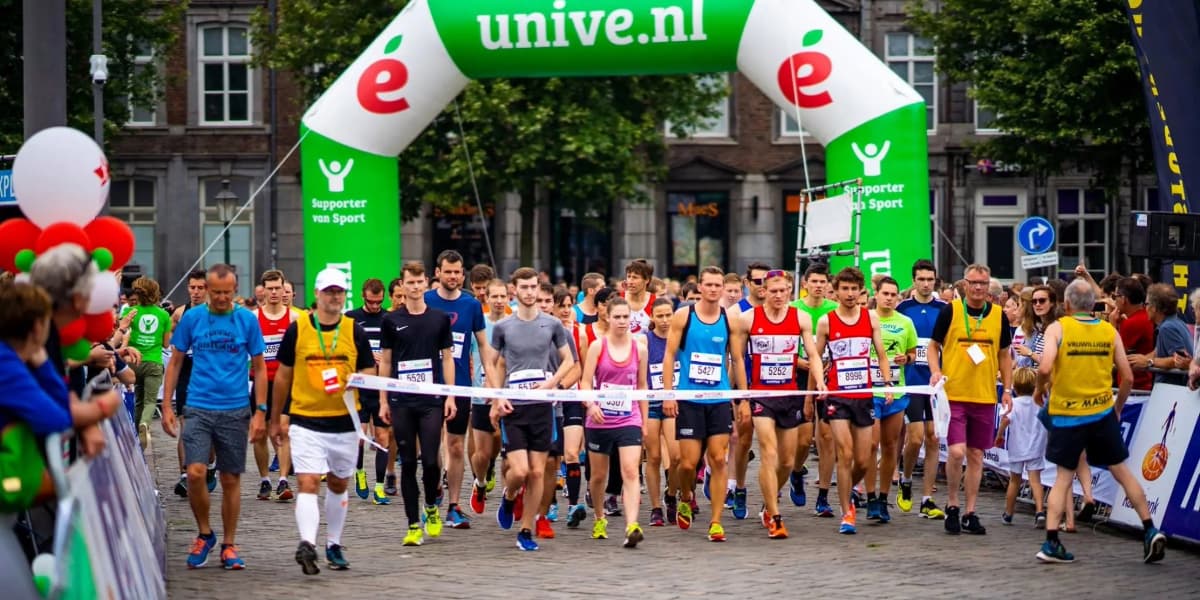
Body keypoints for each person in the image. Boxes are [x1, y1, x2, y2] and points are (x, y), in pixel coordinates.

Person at [0, 282, 120, 600]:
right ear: (37, 327)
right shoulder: (6, 364)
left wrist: (41, 362)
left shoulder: (13, 359)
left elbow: (56, 403)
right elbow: (54, 417)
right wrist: (100, 409)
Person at [1034, 279, 1166, 564]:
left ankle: (1052, 541)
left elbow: (1044, 367)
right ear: (1092, 304)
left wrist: (1038, 390)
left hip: (1068, 414)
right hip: (1101, 412)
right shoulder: (1108, 331)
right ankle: (1149, 528)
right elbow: (1127, 377)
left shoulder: (1058, 328)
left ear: (1066, 304)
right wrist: (1117, 409)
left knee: (1063, 477)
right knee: (1122, 471)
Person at [161, 264, 268, 570]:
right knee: (195, 472)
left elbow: (259, 367)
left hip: (235, 408)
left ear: (235, 290)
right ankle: (204, 533)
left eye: (227, 292)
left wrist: (260, 412)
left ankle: (229, 544)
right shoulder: (192, 318)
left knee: (230, 478)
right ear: (207, 290)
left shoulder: (247, 320)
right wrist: (167, 405)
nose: (222, 298)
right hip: (198, 405)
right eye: (216, 292)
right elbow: (175, 361)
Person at [269, 268, 374, 574]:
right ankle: (307, 543)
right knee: (308, 481)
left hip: (344, 421)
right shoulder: (298, 329)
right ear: (316, 294)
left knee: (339, 483)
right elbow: (283, 376)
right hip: (306, 419)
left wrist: (359, 384)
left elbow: (370, 370)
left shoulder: (354, 330)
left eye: (339, 292)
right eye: (329, 291)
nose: (334, 297)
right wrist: (276, 418)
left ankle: (334, 543)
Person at [489, 267, 575, 551]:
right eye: (523, 287)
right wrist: (497, 397)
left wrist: (551, 383)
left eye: (533, 287)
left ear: (539, 288)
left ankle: (526, 530)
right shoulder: (504, 327)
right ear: (514, 290)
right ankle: (509, 495)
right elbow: (491, 363)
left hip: (542, 408)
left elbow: (569, 361)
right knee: (520, 471)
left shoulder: (552, 325)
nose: (528, 292)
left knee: (538, 473)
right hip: (514, 408)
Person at [662, 266, 749, 542]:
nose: (713, 289)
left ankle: (715, 522)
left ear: (722, 288)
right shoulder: (683, 316)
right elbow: (669, 356)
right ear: (699, 287)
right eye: (708, 285)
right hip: (689, 399)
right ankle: (686, 496)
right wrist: (668, 394)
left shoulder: (729, 319)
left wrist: (743, 398)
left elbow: (737, 359)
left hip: (719, 399)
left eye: (717, 285)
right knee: (687, 464)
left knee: (719, 459)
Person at [928, 263, 1013, 536]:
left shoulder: (998, 315)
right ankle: (952, 503)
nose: (977, 287)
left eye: (982, 283)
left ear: (989, 287)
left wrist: (1008, 389)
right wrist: (935, 371)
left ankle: (970, 512)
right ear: (964, 284)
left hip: (984, 396)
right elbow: (933, 346)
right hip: (954, 395)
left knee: (977, 455)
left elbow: (1004, 355)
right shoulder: (951, 311)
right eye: (973, 282)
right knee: (956, 452)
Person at [740, 270, 824, 538]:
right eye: (773, 291)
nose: (778, 295)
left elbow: (813, 354)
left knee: (787, 461)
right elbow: (738, 359)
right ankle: (776, 517)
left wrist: (820, 382)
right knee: (769, 451)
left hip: (789, 395)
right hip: (761, 395)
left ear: (790, 290)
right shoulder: (748, 318)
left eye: (783, 290)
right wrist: (741, 397)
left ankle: (769, 502)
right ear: (763, 291)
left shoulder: (800, 318)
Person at [379, 262, 457, 547]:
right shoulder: (391, 320)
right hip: (401, 400)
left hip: (431, 401)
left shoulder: (439, 318)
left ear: (426, 282)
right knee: (408, 461)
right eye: (409, 283)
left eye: (419, 282)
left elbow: (447, 358)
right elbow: (386, 360)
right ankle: (413, 524)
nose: (414, 287)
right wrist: (383, 399)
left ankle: (432, 507)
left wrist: (450, 396)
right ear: (402, 285)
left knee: (431, 461)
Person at [813, 267, 894, 535]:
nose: (849, 294)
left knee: (863, 458)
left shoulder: (870, 318)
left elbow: (881, 354)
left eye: (854, 289)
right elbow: (816, 357)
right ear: (836, 292)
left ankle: (847, 487)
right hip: (837, 396)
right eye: (844, 289)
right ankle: (846, 511)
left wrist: (887, 383)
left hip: (863, 395)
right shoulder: (826, 322)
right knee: (845, 453)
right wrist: (819, 384)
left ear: (861, 291)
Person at [425, 250, 492, 529]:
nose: (452, 276)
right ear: (438, 273)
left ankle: (454, 505)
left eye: (457, 272)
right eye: (448, 271)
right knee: (430, 447)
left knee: (455, 445)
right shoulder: (426, 301)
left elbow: (483, 344)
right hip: (429, 385)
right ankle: (433, 490)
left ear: (462, 274)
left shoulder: (471, 305)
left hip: (461, 385)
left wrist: (490, 379)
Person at [580, 297, 649, 547]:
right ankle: (600, 517)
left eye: (625, 316)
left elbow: (642, 386)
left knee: (630, 471)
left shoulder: (640, 348)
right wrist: (591, 405)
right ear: (607, 317)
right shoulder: (598, 346)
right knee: (598, 476)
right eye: (617, 317)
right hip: (600, 420)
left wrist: (644, 422)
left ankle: (632, 525)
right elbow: (585, 382)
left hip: (629, 418)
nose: (622, 321)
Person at [896, 260, 947, 519]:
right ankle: (905, 480)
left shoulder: (944, 309)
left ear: (935, 280)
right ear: (914, 280)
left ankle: (927, 499)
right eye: (921, 279)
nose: (926, 284)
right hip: (912, 380)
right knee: (915, 438)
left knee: (933, 437)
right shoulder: (903, 308)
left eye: (930, 279)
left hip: (936, 382)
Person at [532, 282, 582, 539]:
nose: (544, 305)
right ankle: (538, 501)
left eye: (547, 301)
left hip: (559, 403)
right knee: (537, 463)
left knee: (561, 456)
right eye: (539, 301)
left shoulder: (562, 332)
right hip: (528, 404)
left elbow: (576, 366)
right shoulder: (519, 328)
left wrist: (559, 387)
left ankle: (565, 506)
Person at [865, 276, 916, 524]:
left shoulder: (905, 322)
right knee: (871, 445)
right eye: (885, 294)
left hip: (896, 392)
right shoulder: (866, 318)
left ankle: (883, 498)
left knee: (890, 446)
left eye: (893, 295)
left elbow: (913, 353)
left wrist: (906, 359)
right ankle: (870, 497)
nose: (889, 298)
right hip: (870, 393)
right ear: (876, 294)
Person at [789, 263, 839, 514]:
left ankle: (823, 497)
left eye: (823, 282)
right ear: (805, 284)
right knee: (803, 439)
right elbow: (782, 345)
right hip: (799, 375)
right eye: (814, 282)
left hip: (829, 376)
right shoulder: (792, 310)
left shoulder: (834, 310)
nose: (819, 286)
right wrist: (799, 361)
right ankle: (797, 471)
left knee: (827, 438)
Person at [252, 269, 299, 502]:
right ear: (263, 291)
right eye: (269, 289)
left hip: (286, 383)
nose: (274, 293)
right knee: (259, 432)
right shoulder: (253, 318)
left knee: (284, 429)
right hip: (261, 383)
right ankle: (265, 479)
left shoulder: (294, 319)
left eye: (277, 288)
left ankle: (282, 479)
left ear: (283, 289)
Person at [469, 279, 509, 515]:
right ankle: (480, 483)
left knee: (509, 453)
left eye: (503, 296)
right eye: (495, 296)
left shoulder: (514, 324)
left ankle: (508, 497)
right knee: (482, 454)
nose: (499, 301)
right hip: (481, 396)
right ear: (487, 297)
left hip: (508, 396)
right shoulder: (479, 324)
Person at [345, 278, 387, 500]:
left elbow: (395, 350)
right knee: (359, 437)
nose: (375, 306)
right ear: (363, 296)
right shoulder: (351, 318)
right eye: (371, 302)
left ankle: (379, 486)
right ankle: (360, 472)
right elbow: (345, 351)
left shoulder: (388, 318)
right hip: (360, 387)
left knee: (382, 437)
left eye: (379, 302)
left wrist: (385, 359)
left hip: (381, 388)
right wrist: (367, 358)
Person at [171, 269, 211, 498]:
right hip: (187, 372)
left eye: (200, 288)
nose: (195, 292)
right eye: (192, 287)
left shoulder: (214, 312)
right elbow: (171, 341)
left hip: (208, 374)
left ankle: (210, 465)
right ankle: (185, 475)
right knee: (185, 427)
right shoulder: (180, 313)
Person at [554, 288, 592, 528]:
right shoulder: (544, 330)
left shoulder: (580, 333)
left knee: (571, 453)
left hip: (571, 397)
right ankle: (549, 502)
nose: (566, 310)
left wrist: (563, 386)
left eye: (569, 305)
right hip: (546, 399)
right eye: (562, 306)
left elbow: (582, 369)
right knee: (551, 456)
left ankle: (573, 506)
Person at [121, 276, 172, 450]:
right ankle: (145, 423)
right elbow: (166, 344)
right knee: (150, 401)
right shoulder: (164, 315)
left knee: (138, 400)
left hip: (134, 361)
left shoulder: (130, 312)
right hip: (154, 362)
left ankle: (137, 439)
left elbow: (122, 334)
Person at [643, 297, 681, 526]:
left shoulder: (680, 339)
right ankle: (656, 507)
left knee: (676, 456)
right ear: (652, 317)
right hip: (651, 402)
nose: (665, 320)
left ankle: (671, 494)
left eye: (668, 315)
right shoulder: (645, 340)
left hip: (673, 402)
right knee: (654, 457)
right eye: (660, 316)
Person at [995, 367, 1046, 527]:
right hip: (1036, 445)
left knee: (1014, 480)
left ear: (1015, 387)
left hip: (1017, 446)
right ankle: (1039, 511)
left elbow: (1005, 420)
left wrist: (999, 435)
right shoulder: (1040, 403)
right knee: (1035, 480)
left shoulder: (1013, 404)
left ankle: (1009, 513)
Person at [1130, 284, 1191, 386]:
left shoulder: (1167, 328)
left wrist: (1149, 362)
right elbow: (1157, 351)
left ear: (1154, 308)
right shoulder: (1177, 323)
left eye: (1146, 304)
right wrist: (1136, 361)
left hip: (1170, 390)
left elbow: (1179, 360)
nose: (1145, 308)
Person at [1110, 277, 1153, 391]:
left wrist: (1112, 325)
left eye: (1115, 297)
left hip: (1135, 388)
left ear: (1123, 299)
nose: (1114, 301)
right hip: (1141, 383)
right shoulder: (1143, 316)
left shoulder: (1132, 322)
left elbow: (1115, 354)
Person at [623, 260, 657, 336]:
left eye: (635, 277)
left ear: (647, 280)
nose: (630, 281)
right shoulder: (618, 299)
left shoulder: (655, 302)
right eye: (629, 276)